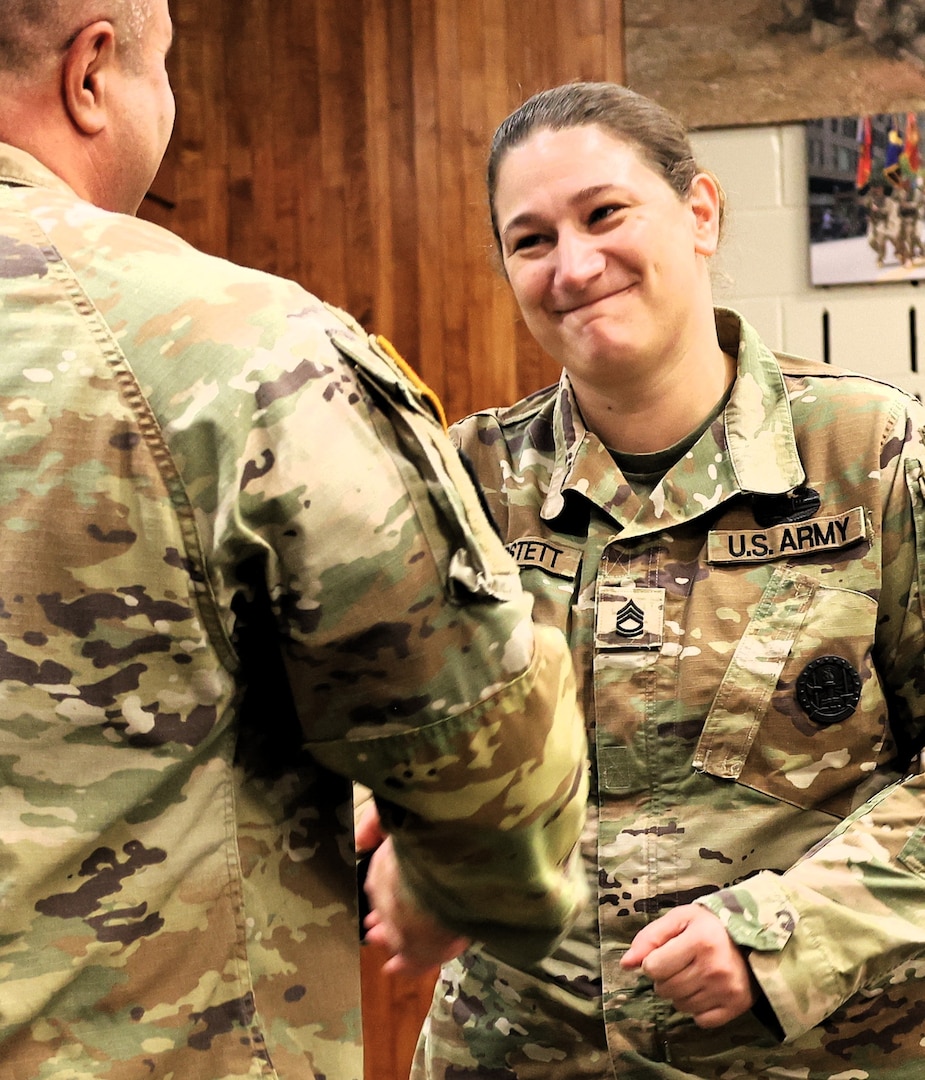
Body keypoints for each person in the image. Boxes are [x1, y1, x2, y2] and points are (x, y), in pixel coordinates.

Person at [0, 5, 590, 1078]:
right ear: (92, 74)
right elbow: (485, 762)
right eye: (163, 68)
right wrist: (472, 882)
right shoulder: (225, 349)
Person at [409, 80, 925, 1079]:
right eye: (530, 240)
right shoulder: (463, 478)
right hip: (518, 1054)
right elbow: (382, 734)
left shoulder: (871, 455)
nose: (574, 264)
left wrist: (785, 932)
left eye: (605, 213)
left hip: (816, 1054)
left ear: (699, 214)